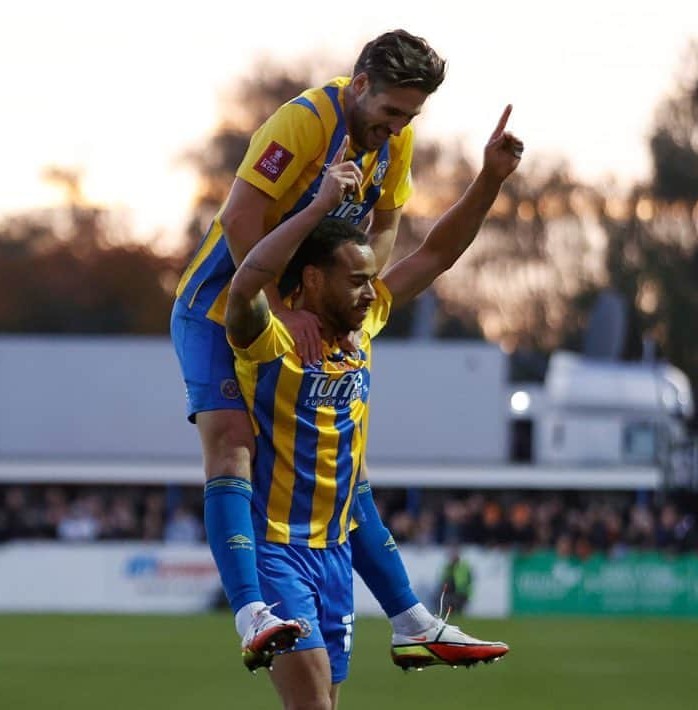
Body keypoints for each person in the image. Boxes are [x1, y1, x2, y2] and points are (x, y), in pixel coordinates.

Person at [171, 29, 501, 670]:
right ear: (359, 88)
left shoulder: (394, 142)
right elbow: (240, 222)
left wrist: (352, 299)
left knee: (346, 472)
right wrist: (285, 306)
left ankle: (412, 621)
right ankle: (251, 613)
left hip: (305, 306)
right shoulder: (301, 124)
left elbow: (385, 235)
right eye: (390, 112)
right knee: (233, 448)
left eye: (410, 115)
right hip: (221, 309)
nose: (398, 127)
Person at [224, 109, 521, 707]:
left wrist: (489, 180)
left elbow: (437, 253)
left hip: (337, 554)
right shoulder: (269, 338)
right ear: (309, 279)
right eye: (356, 279)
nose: (370, 290)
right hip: (276, 551)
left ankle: (411, 624)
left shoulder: (366, 326)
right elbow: (245, 283)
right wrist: (313, 210)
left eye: (371, 280)